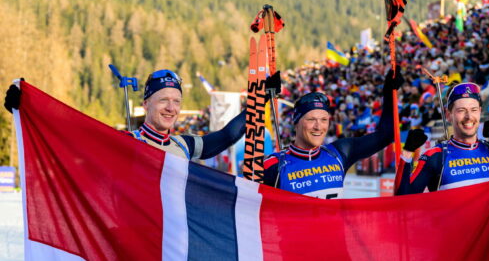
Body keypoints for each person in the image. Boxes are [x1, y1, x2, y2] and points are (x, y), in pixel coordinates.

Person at [4, 70, 281, 164]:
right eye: (164, 100)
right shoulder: (126, 141)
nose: (171, 108)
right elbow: (74, 135)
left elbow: (224, 137)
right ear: (146, 104)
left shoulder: (183, 145)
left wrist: (259, 101)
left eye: (176, 102)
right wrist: (28, 109)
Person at [262, 67, 403, 199]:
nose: (318, 126)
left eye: (324, 120)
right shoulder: (275, 165)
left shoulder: (339, 153)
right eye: (311, 119)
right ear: (296, 122)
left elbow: (386, 135)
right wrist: (261, 99)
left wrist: (389, 92)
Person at [395, 82, 489, 209]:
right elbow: (402, 202)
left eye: (474, 110)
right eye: (461, 110)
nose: (469, 117)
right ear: (448, 115)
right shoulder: (436, 156)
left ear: (480, 112)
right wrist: (407, 153)